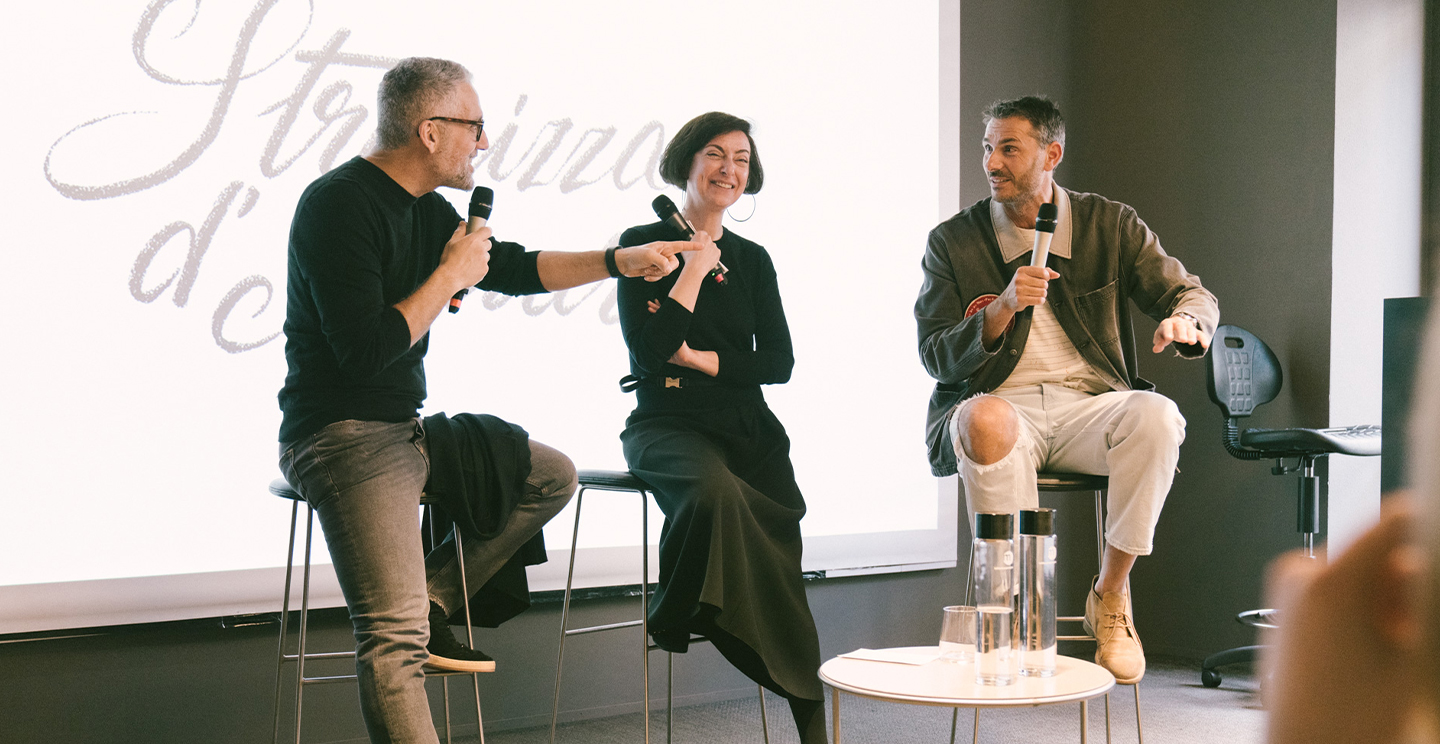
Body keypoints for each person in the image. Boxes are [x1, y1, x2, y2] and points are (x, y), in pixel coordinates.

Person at [276, 57, 696, 744]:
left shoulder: (428, 210)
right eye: (475, 126)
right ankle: (414, 622)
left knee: (548, 474)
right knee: (392, 639)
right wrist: (447, 275)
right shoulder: (336, 204)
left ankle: (432, 601)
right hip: (339, 435)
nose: (485, 142)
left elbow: (515, 268)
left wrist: (616, 261)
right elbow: (364, 351)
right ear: (430, 130)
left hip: (401, 430)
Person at [913, 96, 1219, 684]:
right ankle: (1012, 613)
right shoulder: (953, 241)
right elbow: (935, 357)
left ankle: (1110, 596)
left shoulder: (1111, 223)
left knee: (1158, 415)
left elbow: (1191, 293)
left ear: (1051, 154)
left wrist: (1189, 323)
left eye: (1008, 148)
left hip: (1089, 407)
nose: (991, 162)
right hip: (1001, 407)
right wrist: (1000, 309)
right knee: (983, 420)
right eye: (987, 147)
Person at [614, 111, 827, 744]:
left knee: (782, 573)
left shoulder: (755, 261)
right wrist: (693, 270)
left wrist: (702, 359)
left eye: (740, 158)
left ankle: (815, 731)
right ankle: (687, 609)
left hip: (747, 429)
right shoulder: (642, 242)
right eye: (714, 153)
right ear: (686, 163)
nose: (728, 168)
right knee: (711, 493)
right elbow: (652, 352)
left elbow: (780, 364)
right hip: (666, 423)